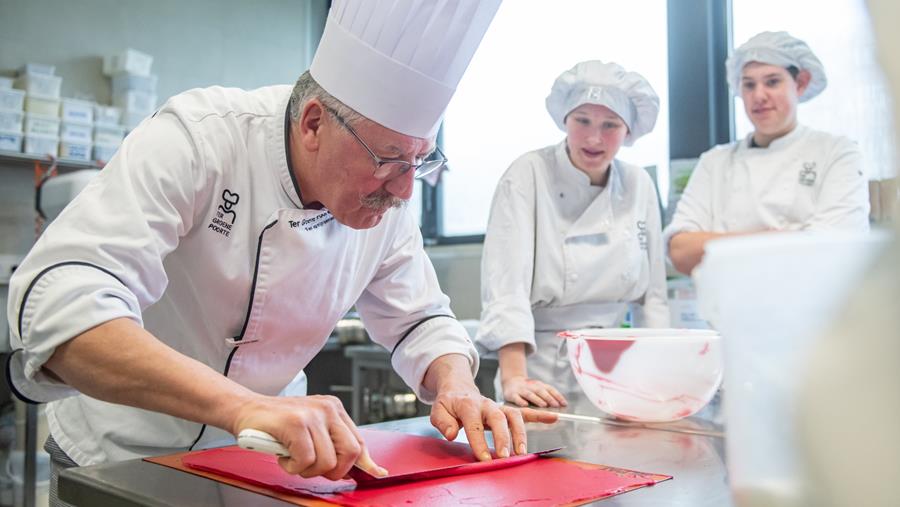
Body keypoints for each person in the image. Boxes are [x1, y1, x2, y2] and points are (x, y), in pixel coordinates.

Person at [6, 0, 556, 499]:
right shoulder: (201, 138)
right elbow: (63, 308)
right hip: (124, 454)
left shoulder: (389, 197)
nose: (405, 188)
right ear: (314, 122)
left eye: (421, 162)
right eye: (387, 159)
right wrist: (247, 407)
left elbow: (420, 318)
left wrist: (456, 383)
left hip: (265, 466)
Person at [475, 61, 670, 409]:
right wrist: (514, 378)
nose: (594, 138)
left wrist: (659, 372)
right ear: (565, 119)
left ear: (628, 130)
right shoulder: (528, 174)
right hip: (541, 370)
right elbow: (506, 286)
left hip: (621, 369)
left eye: (610, 124)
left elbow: (653, 295)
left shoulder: (639, 184)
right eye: (582, 121)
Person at [665, 31, 870, 275]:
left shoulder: (837, 153)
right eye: (749, 84)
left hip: (813, 311)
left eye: (772, 82)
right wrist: (771, 237)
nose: (759, 96)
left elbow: (834, 250)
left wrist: (718, 243)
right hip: (730, 310)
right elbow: (680, 252)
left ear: (801, 83)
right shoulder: (715, 162)